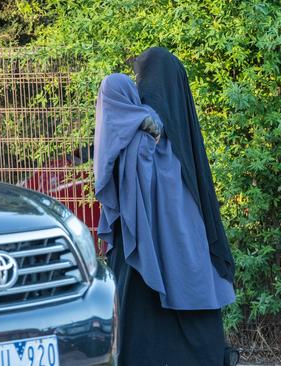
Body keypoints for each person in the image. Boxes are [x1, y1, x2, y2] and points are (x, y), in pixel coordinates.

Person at [94, 70, 237, 365]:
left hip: (138, 247)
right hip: (177, 243)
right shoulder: (174, 139)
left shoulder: (140, 140)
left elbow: (118, 193)